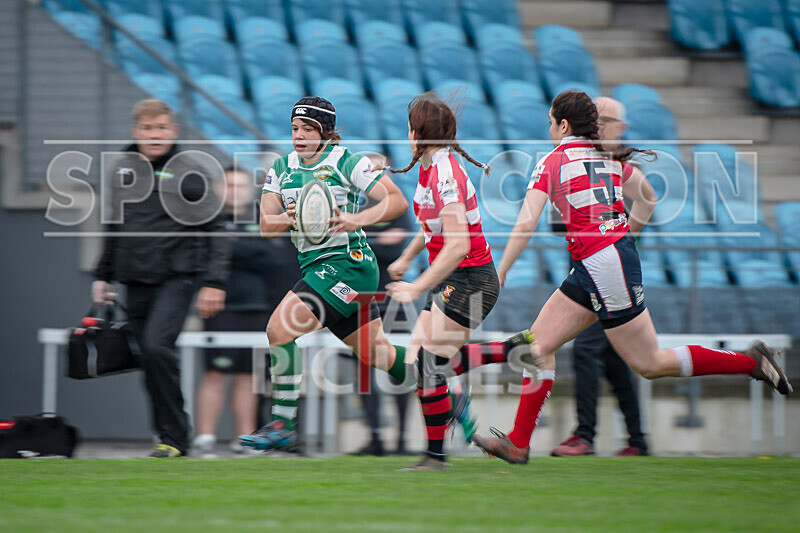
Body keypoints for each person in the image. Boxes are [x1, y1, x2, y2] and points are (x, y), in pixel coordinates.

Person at [470, 90, 793, 465]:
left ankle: (750, 362)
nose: (549, 129)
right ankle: (518, 443)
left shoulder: (553, 161)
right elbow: (648, 197)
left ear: (562, 124)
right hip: (599, 262)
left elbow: (526, 222)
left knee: (650, 363)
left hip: (601, 263)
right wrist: (628, 236)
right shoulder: (606, 156)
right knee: (538, 348)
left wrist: (503, 266)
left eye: (550, 122)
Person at [238, 96, 414, 452]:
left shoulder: (348, 161)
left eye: (308, 129)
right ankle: (444, 388)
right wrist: (295, 216)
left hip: (348, 265)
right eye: (294, 129)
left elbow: (396, 201)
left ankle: (284, 424)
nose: (299, 137)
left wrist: (357, 219)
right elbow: (265, 226)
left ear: (326, 132)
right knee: (377, 354)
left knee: (278, 328)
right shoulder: (281, 167)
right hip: (317, 267)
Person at [386, 93, 536, 471]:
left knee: (428, 366)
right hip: (455, 278)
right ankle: (449, 422)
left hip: (470, 280)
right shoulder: (429, 167)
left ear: (415, 132)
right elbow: (431, 226)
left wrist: (417, 286)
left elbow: (458, 245)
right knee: (418, 363)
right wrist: (406, 257)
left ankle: (436, 456)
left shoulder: (445, 174)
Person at [92, 98, 230, 458]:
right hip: (134, 279)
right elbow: (114, 226)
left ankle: (176, 437)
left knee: (156, 346)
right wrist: (103, 275)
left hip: (177, 277)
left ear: (174, 131)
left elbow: (217, 228)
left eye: (161, 128)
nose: (155, 135)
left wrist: (214, 282)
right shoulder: (122, 170)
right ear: (136, 131)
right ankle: (168, 437)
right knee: (149, 359)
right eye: (148, 129)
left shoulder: (190, 172)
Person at [551, 97, 649, 457]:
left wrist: (626, 234)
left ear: (619, 127)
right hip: (588, 264)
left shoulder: (613, 161)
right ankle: (638, 440)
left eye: (605, 119)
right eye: (596, 117)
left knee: (589, 349)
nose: (598, 123)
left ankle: (585, 435)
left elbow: (646, 200)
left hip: (608, 270)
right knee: (614, 357)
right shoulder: (586, 157)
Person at [193, 167, 301, 457]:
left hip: (258, 307)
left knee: (247, 376)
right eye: (228, 185)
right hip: (219, 307)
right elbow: (205, 255)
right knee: (215, 372)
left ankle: (244, 439)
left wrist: (235, 248)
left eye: (240, 186)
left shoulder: (261, 219)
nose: (234, 191)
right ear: (218, 188)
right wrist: (243, 249)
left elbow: (271, 255)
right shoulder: (208, 219)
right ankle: (204, 438)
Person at [352, 154, 414, 457]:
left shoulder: (395, 203)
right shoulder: (354, 203)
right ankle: (375, 436)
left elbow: (394, 245)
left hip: (392, 297)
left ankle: (402, 439)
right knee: (363, 368)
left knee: (396, 367)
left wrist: (363, 240)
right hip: (362, 295)